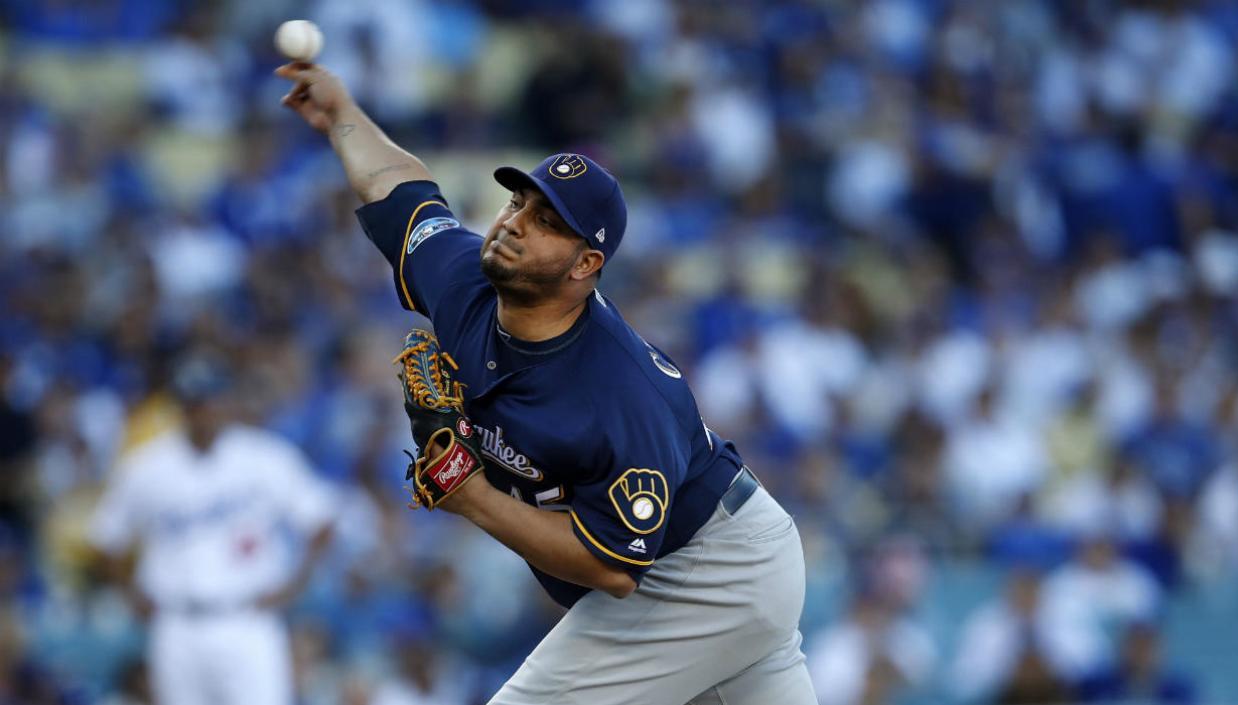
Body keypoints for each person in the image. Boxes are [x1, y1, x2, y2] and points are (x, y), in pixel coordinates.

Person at [276, 62, 818, 705]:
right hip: (706, 563)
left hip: (707, 567)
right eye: (519, 202)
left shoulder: (617, 392)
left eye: (547, 222)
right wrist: (340, 112)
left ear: (586, 264)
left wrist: (469, 495)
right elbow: (400, 188)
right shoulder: (464, 280)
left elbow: (612, 568)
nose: (515, 222)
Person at [89, 354, 337, 705]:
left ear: (226, 401)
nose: (204, 410)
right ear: (181, 407)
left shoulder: (262, 456)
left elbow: (321, 522)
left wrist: (293, 587)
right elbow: (106, 539)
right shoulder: (147, 467)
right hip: (176, 623)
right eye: (194, 402)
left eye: (210, 399)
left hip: (248, 618)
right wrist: (131, 596)